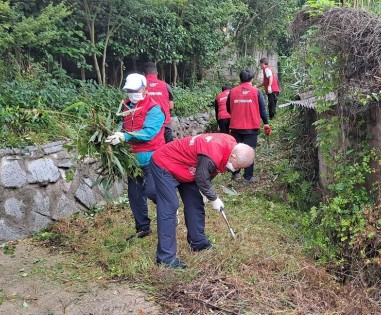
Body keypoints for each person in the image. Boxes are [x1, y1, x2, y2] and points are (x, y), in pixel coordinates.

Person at [151, 133, 255, 268]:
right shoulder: (213, 153)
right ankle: (165, 259)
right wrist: (214, 198)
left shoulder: (230, 143)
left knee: (195, 202)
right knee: (170, 206)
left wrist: (205, 190)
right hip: (165, 163)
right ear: (233, 156)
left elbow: (207, 172)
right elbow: (202, 176)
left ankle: (198, 243)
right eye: (237, 167)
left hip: (188, 168)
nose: (235, 170)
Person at [106, 73, 166, 241]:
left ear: (145, 89)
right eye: (129, 90)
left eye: (135, 90)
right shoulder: (125, 107)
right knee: (135, 194)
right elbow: (121, 125)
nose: (132, 93)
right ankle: (143, 228)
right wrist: (114, 134)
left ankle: (169, 211)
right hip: (133, 159)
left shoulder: (154, 108)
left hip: (152, 157)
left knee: (152, 191)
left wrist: (125, 137)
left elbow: (149, 133)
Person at [226, 69, 271, 183]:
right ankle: (248, 177)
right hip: (251, 128)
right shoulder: (256, 92)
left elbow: (228, 108)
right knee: (249, 152)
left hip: (235, 126)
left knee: (235, 151)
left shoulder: (232, 91)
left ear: (240, 79)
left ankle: (235, 174)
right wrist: (266, 122)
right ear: (251, 79)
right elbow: (262, 109)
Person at [143, 62, 175, 143]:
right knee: (169, 152)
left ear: (144, 74)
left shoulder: (140, 87)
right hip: (165, 126)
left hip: (146, 127)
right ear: (157, 73)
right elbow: (171, 106)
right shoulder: (166, 86)